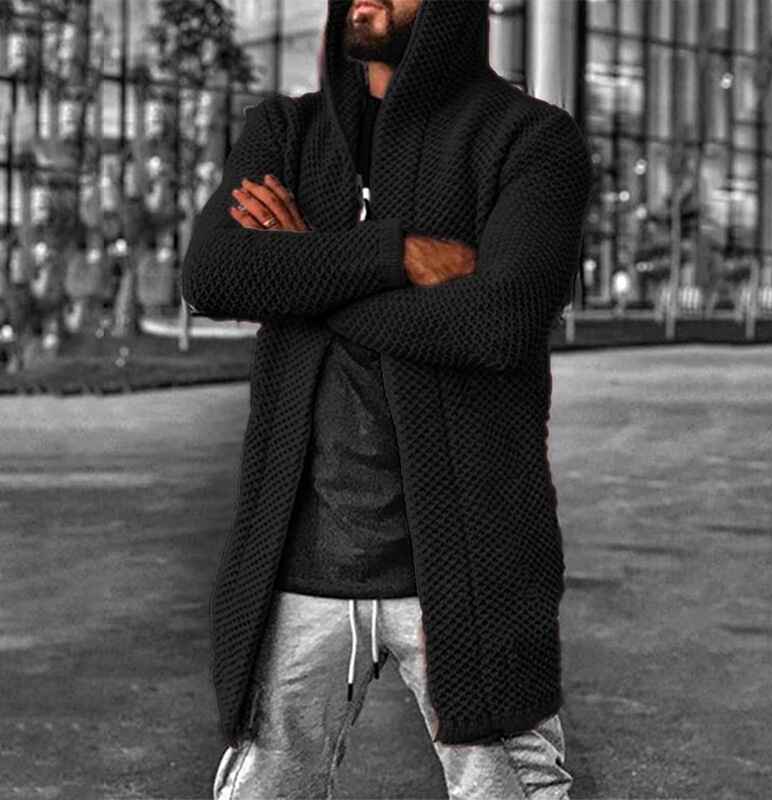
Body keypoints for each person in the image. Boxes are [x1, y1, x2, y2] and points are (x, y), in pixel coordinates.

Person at [181, 1, 594, 798]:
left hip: (464, 567)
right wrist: (392, 255)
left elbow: (497, 324)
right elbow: (214, 274)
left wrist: (305, 269)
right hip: (299, 564)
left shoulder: (529, 141)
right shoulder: (286, 133)